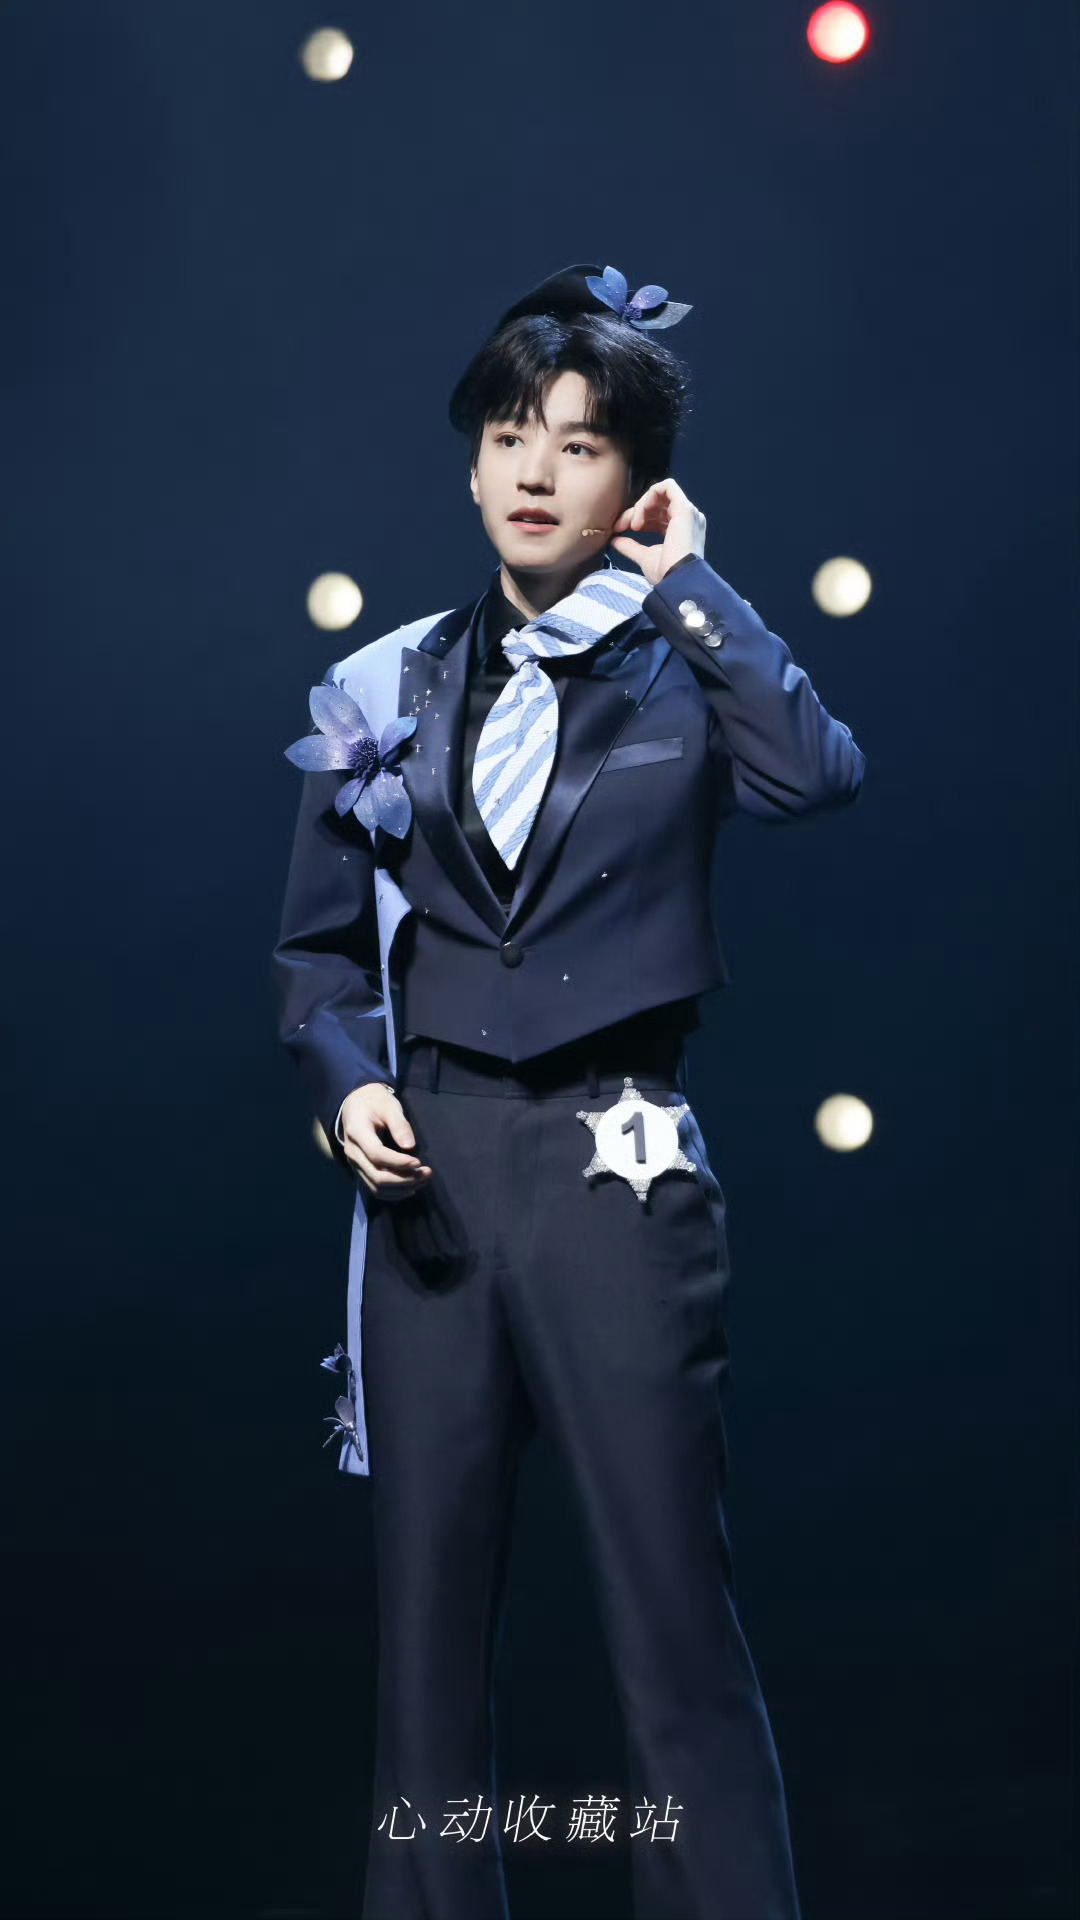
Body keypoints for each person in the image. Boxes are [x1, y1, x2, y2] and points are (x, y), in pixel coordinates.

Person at [273, 261, 865, 1920]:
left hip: (618, 1168)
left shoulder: (687, 667)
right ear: (472, 459)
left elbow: (816, 776)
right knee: (424, 1660)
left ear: (640, 483)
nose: (537, 471)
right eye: (511, 434)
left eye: (583, 443)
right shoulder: (382, 684)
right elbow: (315, 957)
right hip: (433, 1184)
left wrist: (696, 587)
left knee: (671, 1623)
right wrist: (347, 1084)